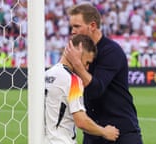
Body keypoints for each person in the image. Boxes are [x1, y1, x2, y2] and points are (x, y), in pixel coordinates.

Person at [65, 3, 143, 144]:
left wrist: (77, 64)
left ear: (92, 26)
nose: (73, 31)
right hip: (94, 133)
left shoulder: (111, 51)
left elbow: (96, 89)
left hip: (120, 132)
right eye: (72, 27)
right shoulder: (77, 52)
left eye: (77, 26)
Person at [44, 34, 119, 144]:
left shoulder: (46, 75)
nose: (87, 68)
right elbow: (81, 121)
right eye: (87, 62)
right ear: (77, 53)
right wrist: (105, 132)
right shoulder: (73, 80)